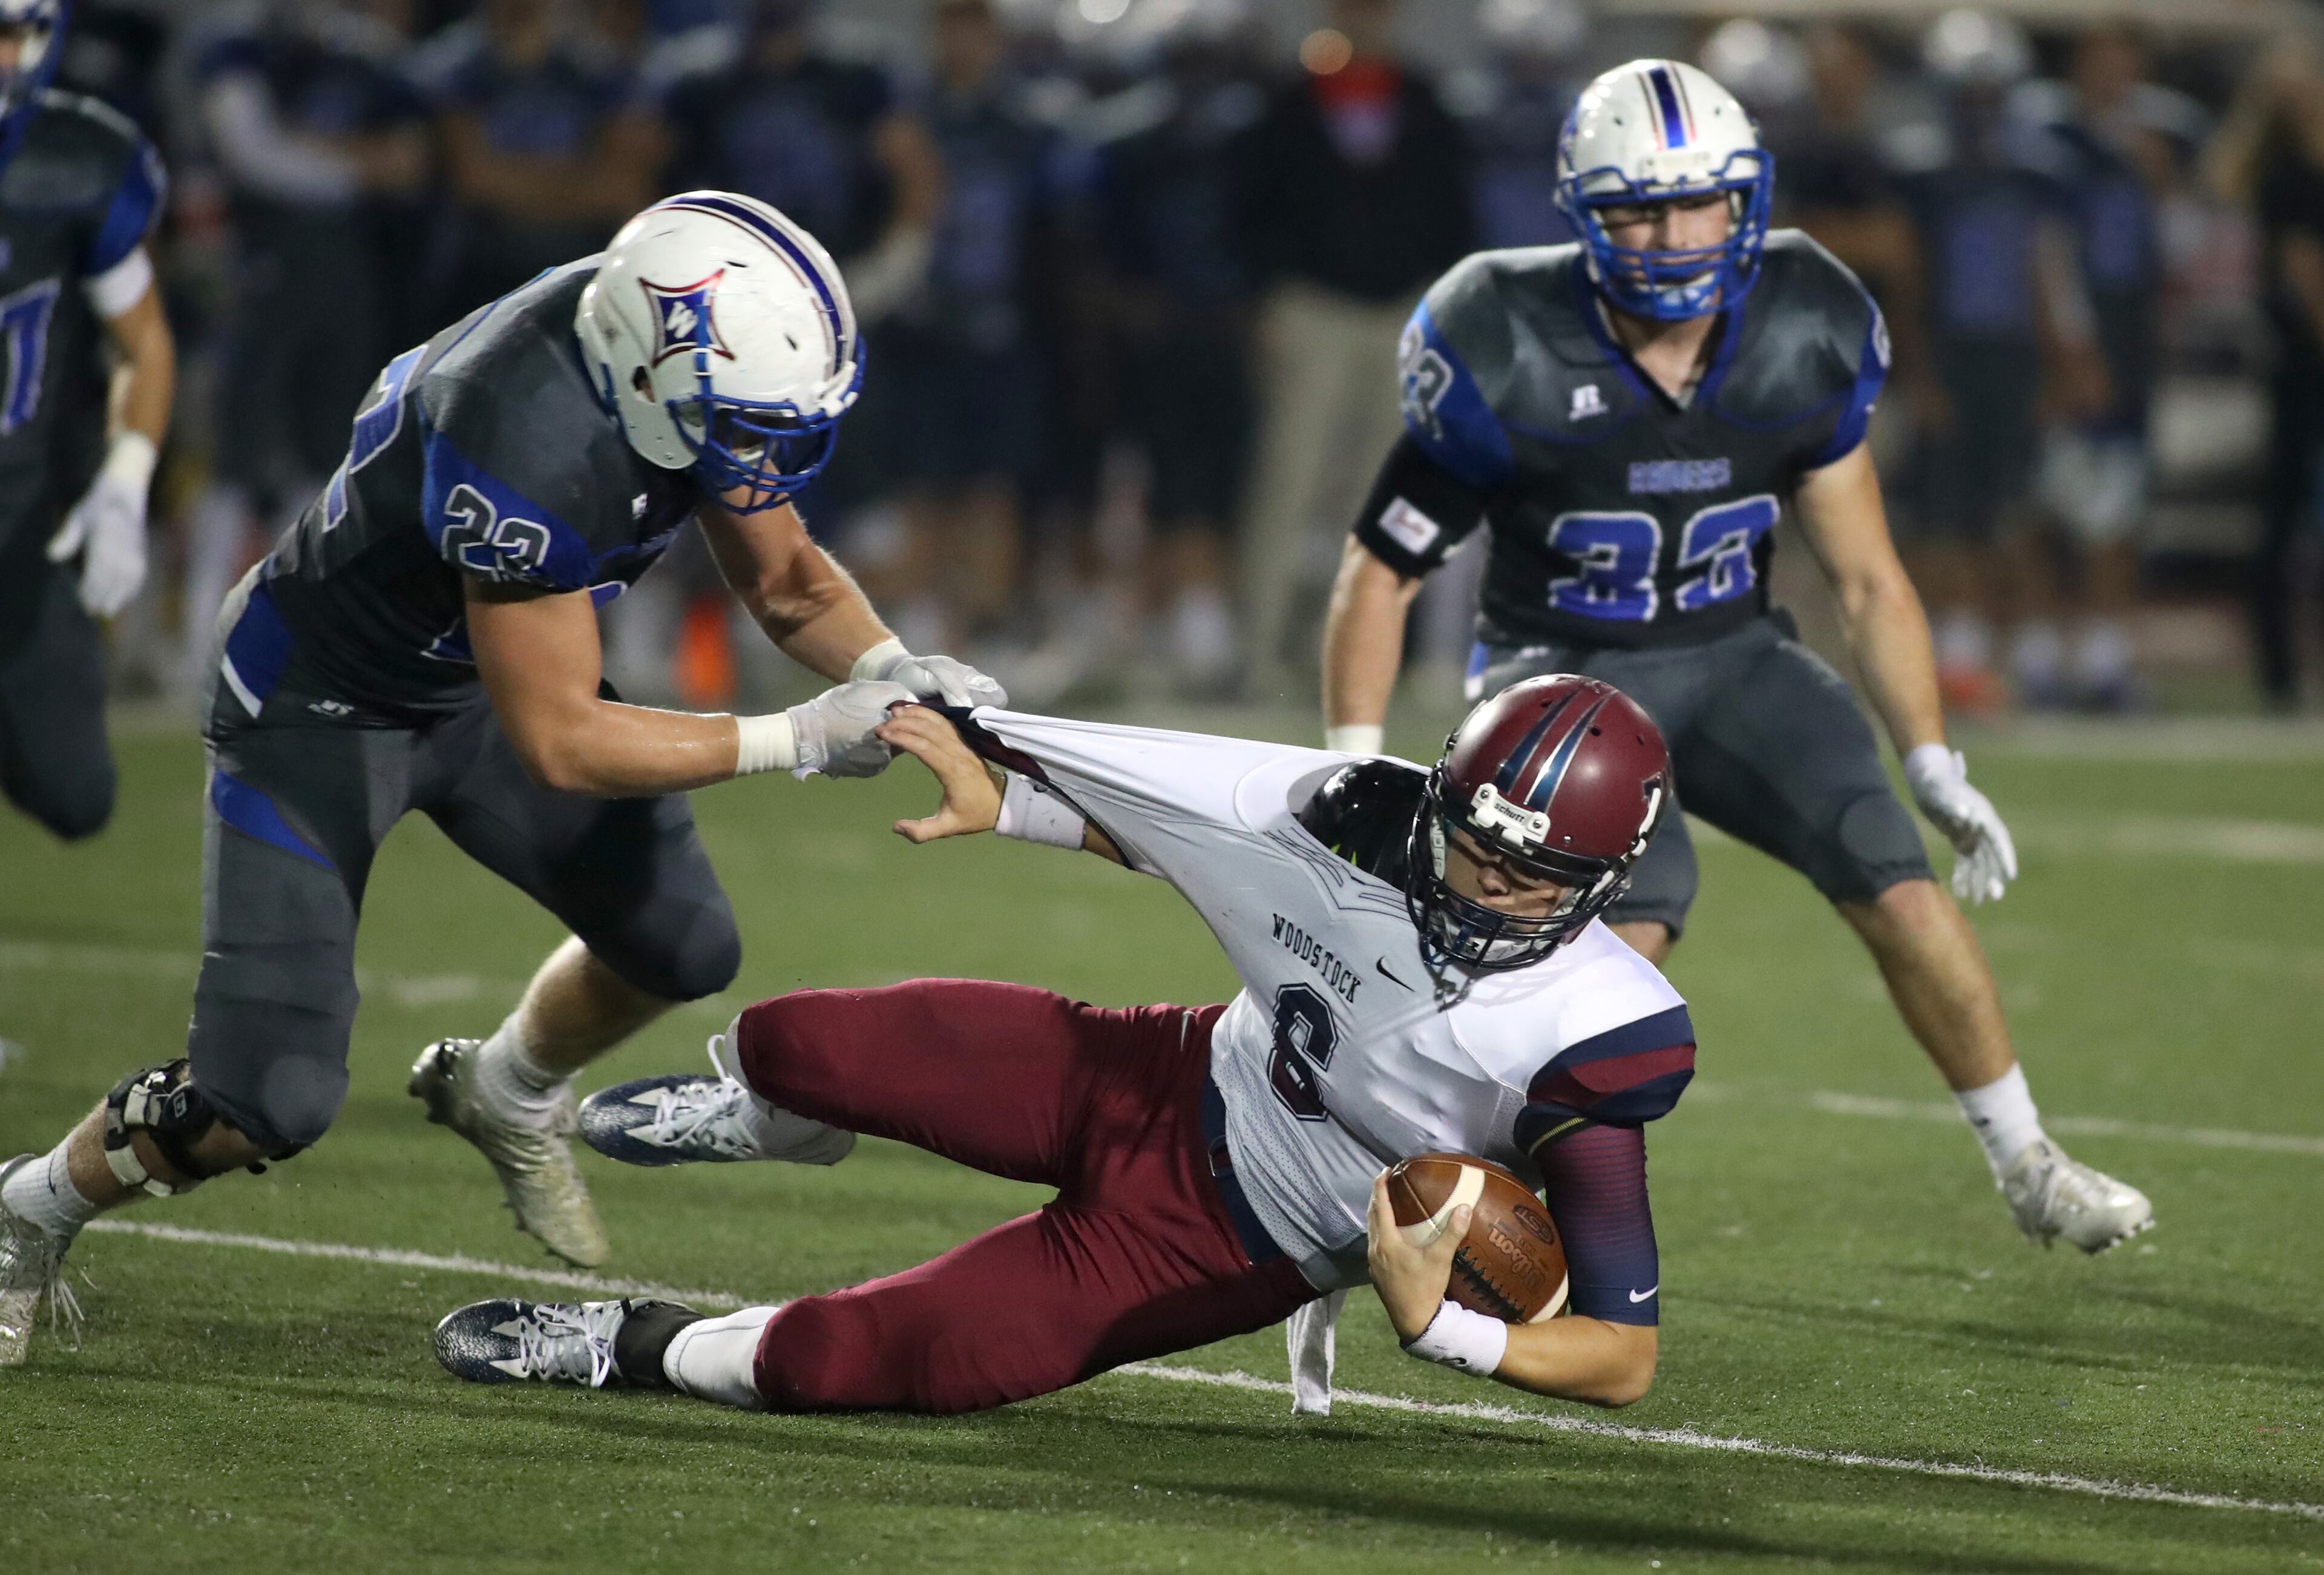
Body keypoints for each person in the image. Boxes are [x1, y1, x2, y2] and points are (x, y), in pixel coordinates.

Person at [0, 191, 1003, 1367]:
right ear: (645, 376)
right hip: (324, 707)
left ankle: (507, 1087)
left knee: (679, 944)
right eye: (742, 423)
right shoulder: (522, 428)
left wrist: (893, 667)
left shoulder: (658, 340)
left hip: (477, 680)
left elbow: (788, 583)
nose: (763, 460)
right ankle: (27, 1209)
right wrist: (803, 737)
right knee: (264, 1099)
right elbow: (564, 742)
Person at [1319, 60, 2152, 1254]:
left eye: (1697, 202)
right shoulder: (1507, 335)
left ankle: (2027, 1157)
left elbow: (1867, 576)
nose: (1671, 235)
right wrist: (1355, 759)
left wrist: (1929, 755)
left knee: (1898, 880)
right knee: (1623, 946)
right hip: (1563, 678)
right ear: (1586, 217)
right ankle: (1425, 1194)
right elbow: (1381, 565)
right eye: (1639, 208)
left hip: (1735, 655)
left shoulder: (1802, 322)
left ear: (1744, 200)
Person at [432, 675, 1691, 1416]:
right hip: (1159, 1069)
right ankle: (779, 1118)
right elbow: (1194, 831)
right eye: (1470, 845)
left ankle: (628, 1342)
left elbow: (1623, 1355)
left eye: (1526, 878)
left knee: (835, 1357)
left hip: (1215, 1242)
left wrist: (1442, 1328)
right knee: (792, 1037)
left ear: (1599, 881)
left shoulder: (1594, 1036)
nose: (1479, 886)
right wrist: (1018, 799)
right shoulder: (1359, 815)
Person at [181, 0, 431, 700]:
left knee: (329, 449)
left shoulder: (370, 55)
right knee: (238, 444)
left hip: (349, 267)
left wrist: (318, 153)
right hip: (263, 255)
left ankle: (299, 635)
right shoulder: (243, 42)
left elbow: (409, 164)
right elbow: (251, 153)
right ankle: (202, 635)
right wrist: (356, 170)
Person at [1228, 0, 1473, 697]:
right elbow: (1251, 210)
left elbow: (1454, 211)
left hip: (1401, 312)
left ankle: (1334, 656)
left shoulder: (1423, 99)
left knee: (1378, 499)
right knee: (1289, 484)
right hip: (1315, 308)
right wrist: (1270, 297)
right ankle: (1260, 654)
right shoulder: (1289, 103)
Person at [0, 0, 172, 843]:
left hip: (14, 523)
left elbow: (142, 343)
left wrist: (125, 479)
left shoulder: (74, 159)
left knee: (79, 798)